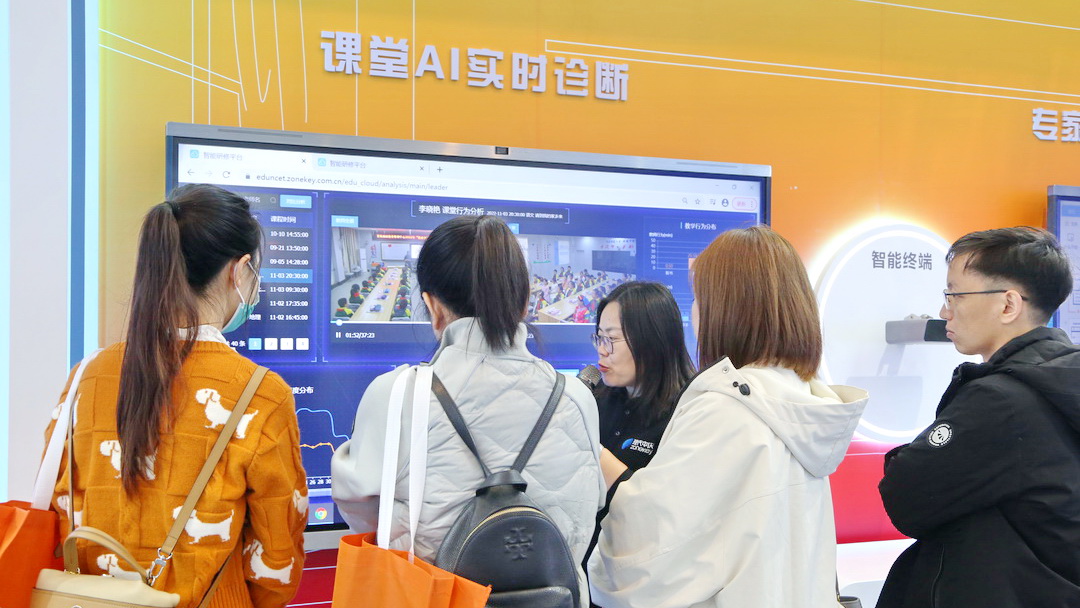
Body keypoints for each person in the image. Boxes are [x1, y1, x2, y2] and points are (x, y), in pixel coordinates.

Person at [41, 184, 307, 607]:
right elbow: (276, 558)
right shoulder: (261, 393)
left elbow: (58, 508)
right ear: (239, 271)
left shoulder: (86, 377)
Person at [589, 225, 868, 608]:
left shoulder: (726, 409)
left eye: (699, 297)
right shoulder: (801, 400)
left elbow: (649, 546)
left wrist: (595, 455)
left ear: (727, 309)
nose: (694, 312)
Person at [331, 215, 604, 604]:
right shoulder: (578, 397)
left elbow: (360, 507)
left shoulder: (397, 394)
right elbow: (586, 509)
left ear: (432, 306)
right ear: (525, 300)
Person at [877, 227, 1080, 607]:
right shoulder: (1061, 380)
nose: (945, 311)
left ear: (1008, 305)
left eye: (954, 295)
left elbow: (905, 496)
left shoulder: (1001, 401)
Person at [584, 281, 695, 570]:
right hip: (589, 566)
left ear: (652, 340)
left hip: (648, 571)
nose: (602, 351)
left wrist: (591, 448)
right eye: (599, 337)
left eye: (612, 339)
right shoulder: (594, 398)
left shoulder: (689, 412)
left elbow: (663, 511)